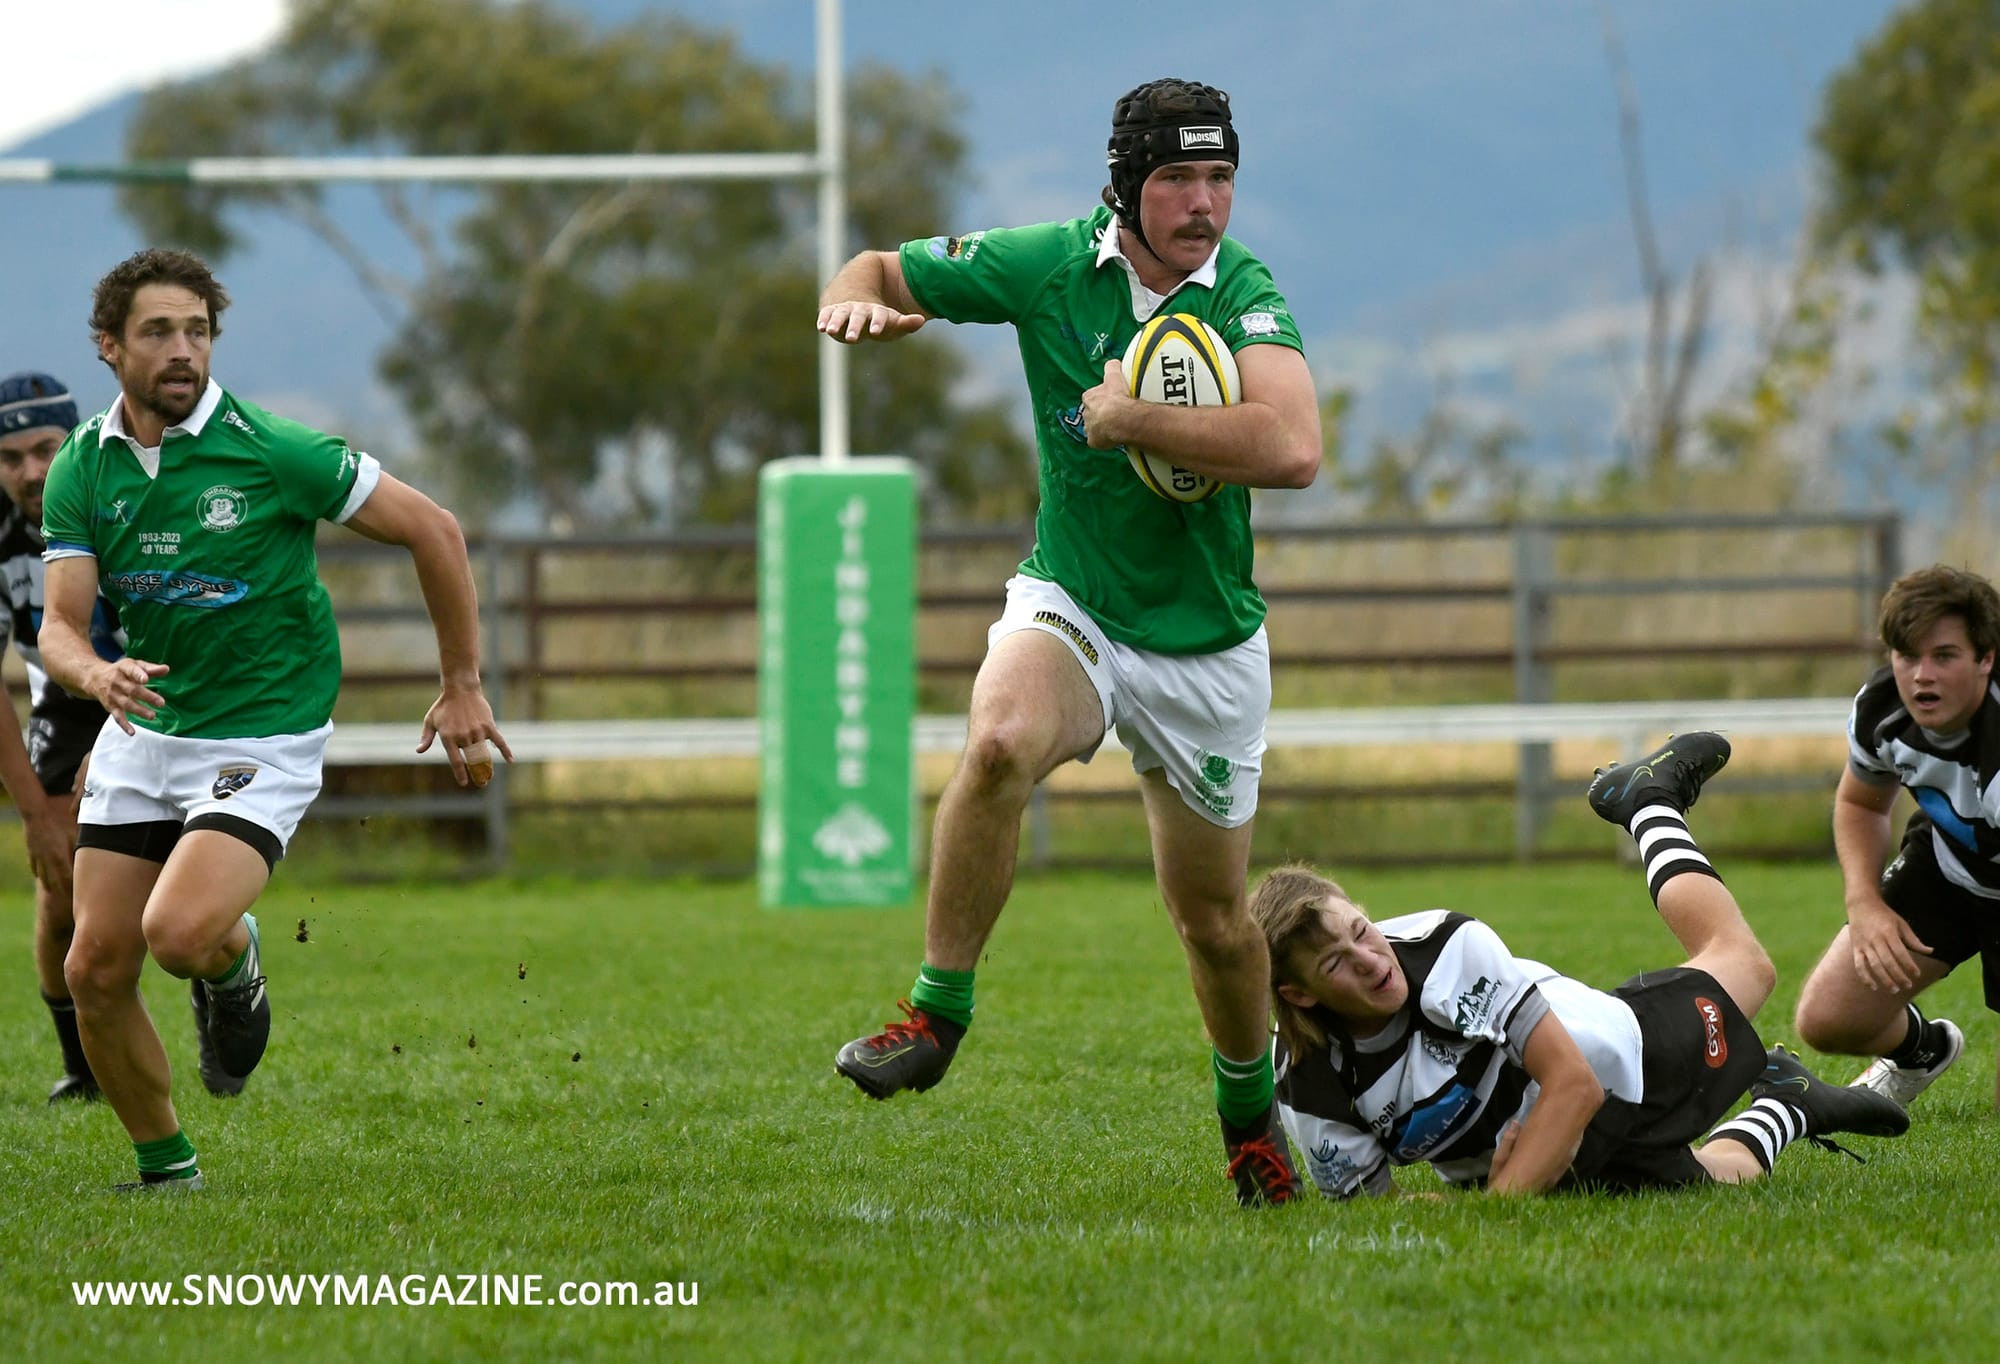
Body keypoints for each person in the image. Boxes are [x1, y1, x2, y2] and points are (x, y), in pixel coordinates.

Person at [817, 78, 1321, 1205]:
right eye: (1177, 179)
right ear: (1125, 184)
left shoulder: (1240, 291)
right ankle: (933, 1013)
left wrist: (1131, 415)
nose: (1202, 205)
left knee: (1212, 922)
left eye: (1219, 179)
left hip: (1205, 649)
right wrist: (855, 300)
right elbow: (879, 267)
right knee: (997, 739)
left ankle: (1250, 1119)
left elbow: (1290, 447)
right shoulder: (1048, 263)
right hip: (1074, 603)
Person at [38, 247, 512, 1192]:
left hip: (263, 733)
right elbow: (59, 625)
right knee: (93, 967)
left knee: (178, 935)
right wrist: (94, 676)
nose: (183, 350)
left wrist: (461, 679)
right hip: (147, 729)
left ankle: (233, 960)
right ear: (107, 346)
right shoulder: (82, 467)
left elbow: (436, 529)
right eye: (158, 332)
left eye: (198, 332)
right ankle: (168, 1172)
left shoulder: (273, 450)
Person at [1256, 733, 1910, 1198]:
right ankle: (1788, 1101)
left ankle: (1648, 803)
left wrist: (1498, 1209)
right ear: (1301, 996)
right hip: (1533, 1150)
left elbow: (1574, 1087)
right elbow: (1377, 1214)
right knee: (1718, 1179)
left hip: (1611, 1057)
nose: (1371, 961)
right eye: (1338, 964)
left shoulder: (1443, 947)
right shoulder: (1308, 1084)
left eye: (1362, 933)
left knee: (1744, 965)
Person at [1794, 564, 1999, 1109]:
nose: (1921, 676)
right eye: (1908, 656)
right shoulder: (1881, 709)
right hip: (1950, 863)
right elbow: (1861, 802)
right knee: (1826, 1019)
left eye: (1945, 656)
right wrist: (1864, 904)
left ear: (1987, 657)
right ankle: (1923, 1051)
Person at [0, 371, 135, 1103]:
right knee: (60, 895)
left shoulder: (118, 497)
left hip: (162, 689)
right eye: (10, 456)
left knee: (161, 898)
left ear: (74, 440)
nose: (31, 472)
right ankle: (82, 1070)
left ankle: (223, 975)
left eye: (46, 448)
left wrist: (121, 738)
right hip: (66, 701)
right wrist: (35, 811)